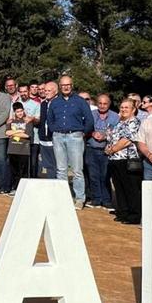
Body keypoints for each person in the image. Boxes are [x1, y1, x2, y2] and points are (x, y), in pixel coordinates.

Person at [47, 76, 94, 209]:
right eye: (63, 85)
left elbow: (89, 120)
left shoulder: (80, 101)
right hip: (58, 136)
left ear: (72, 85)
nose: (66, 87)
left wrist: (81, 132)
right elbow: (50, 120)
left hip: (75, 136)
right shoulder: (55, 103)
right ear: (59, 87)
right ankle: (63, 197)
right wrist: (53, 130)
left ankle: (79, 198)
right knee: (61, 169)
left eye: (68, 85)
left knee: (77, 170)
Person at [105, 99, 142, 225]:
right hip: (115, 159)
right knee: (119, 187)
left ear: (133, 109)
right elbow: (112, 138)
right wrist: (109, 148)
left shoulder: (134, 122)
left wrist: (112, 150)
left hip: (127, 159)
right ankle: (123, 212)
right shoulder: (119, 122)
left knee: (131, 188)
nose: (123, 109)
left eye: (127, 107)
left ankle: (134, 215)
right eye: (121, 107)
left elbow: (127, 140)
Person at [86, 94, 119, 209]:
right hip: (91, 148)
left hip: (107, 150)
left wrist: (105, 135)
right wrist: (92, 133)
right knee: (93, 175)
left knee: (105, 175)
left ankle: (107, 200)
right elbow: (85, 128)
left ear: (109, 104)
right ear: (97, 103)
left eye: (105, 103)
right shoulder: (91, 114)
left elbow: (117, 131)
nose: (102, 106)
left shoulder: (115, 116)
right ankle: (96, 199)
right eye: (100, 103)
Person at [6, 102, 32, 195]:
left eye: (21, 111)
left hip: (24, 150)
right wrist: (19, 130)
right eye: (18, 112)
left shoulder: (27, 121)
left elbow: (26, 135)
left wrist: (14, 132)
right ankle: (15, 188)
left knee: (23, 171)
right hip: (12, 149)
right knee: (14, 171)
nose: (20, 113)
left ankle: (23, 190)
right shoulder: (11, 122)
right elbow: (7, 133)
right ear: (14, 112)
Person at [18, 85, 41, 179]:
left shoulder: (36, 104)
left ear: (29, 91)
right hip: (19, 138)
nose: (23, 93)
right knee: (21, 164)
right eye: (21, 91)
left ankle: (33, 183)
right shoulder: (15, 104)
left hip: (33, 139)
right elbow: (11, 119)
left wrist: (32, 119)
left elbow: (38, 120)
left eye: (25, 91)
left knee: (33, 163)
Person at [37, 82, 58, 179]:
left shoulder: (60, 103)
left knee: (57, 165)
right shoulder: (43, 104)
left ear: (56, 91)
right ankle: (51, 184)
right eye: (45, 90)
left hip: (55, 139)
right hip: (43, 139)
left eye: (49, 90)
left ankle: (59, 186)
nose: (46, 92)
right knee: (48, 165)